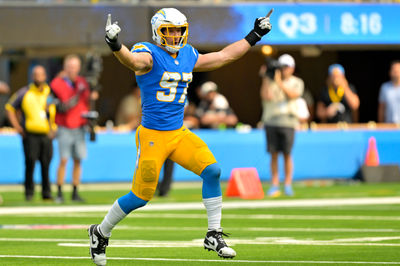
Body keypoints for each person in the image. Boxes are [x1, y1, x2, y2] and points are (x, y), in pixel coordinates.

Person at [88, 8, 272, 265]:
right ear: (157, 32)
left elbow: (222, 56)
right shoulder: (148, 53)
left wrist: (254, 35)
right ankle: (101, 231)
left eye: (178, 30)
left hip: (178, 132)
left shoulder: (188, 54)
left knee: (212, 171)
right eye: (169, 30)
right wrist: (116, 45)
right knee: (141, 196)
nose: (175, 36)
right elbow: (132, 61)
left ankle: (213, 234)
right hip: (153, 135)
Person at [51, 54, 98, 203]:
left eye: (75, 67)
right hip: (64, 126)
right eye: (70, 67)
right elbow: (61, 104)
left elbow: (86, 102)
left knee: (78, 159)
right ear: (65, 68)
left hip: (79, 125)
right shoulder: (57, 83)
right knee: (64, 159)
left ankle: (75, 191)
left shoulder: (82, 82)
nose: (72, 70)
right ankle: (59, 191)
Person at [5, 65, 56, 201]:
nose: (38, 77)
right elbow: (9, 107)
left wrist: (53, 128)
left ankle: (47, 192)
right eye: (35, 74)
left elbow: (54, 110)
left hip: (46, 134)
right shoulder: (24, 92)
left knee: (46, 164)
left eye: (40, 74)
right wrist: (17, 126)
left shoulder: (49, 92)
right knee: (30, 163)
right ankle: (29, 192)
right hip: (30, 134)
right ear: (32, 77)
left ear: (45, 76)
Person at [259, 54, 304, 197]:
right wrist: (266, 77)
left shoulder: (297, 82)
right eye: (281, 67)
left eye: (286, 67)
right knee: (273, 154)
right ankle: (274, 184)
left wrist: (279, 82)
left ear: (292, 68)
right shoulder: (271, 82)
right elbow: (266, 96)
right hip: (271, 121)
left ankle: (288, 184)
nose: (283, 70)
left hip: (288, 122)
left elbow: (292, 95)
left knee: (287, 154)